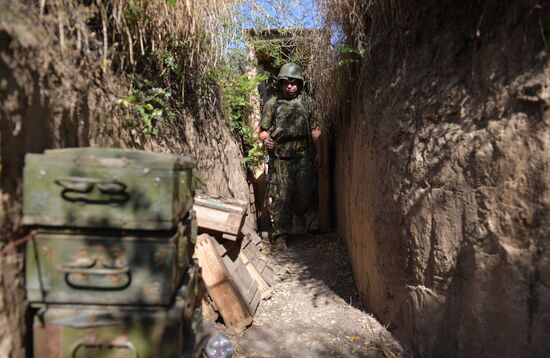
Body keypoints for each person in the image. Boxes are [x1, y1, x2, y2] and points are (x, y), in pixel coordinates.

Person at [259, 63, 321, 248]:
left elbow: (316, 130)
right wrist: (266, 140)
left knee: (305, 192)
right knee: (281, 197)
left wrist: (319, 154)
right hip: (280, 158)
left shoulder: (308, 102)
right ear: (281, 84)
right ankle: (280, 236)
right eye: (286, 83)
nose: (290, 86)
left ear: (299, 84)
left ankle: (299, 214)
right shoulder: (272, 103)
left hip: (303, 156)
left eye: (293, 83)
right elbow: (262, 131)